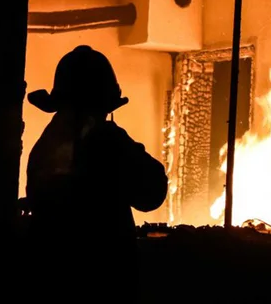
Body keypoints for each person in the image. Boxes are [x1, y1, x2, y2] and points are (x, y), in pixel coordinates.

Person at [24, 45, 167, 302]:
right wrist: (127, 147)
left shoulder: (46, 145)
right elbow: (152, 193)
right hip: (102, 285)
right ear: (101, 105)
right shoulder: (106, 140)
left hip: (47, 282)